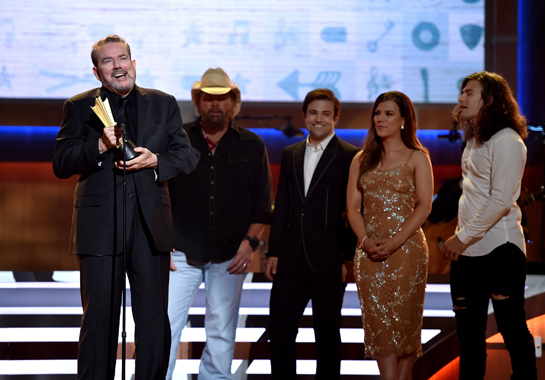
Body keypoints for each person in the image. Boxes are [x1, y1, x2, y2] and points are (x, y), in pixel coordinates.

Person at [52, 35, 199, 379]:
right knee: (99, 322)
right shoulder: (78, 106)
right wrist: (99, 147)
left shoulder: (163, 104)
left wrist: (156, 160)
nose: (117, 66)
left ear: (134, 64)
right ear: (96, 71)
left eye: (122, 59)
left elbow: (187, 156)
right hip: (100, 230)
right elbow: (61, 162)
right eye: (108, 61)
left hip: (151, 228)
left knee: (152, 323)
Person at [166, 67, 273, 379]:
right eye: (208, 98)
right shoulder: (177, 139)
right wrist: (163, 241)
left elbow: (261, 203)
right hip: (180, 253)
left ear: (233, 102)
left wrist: (249, 244)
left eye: (222, 97)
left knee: (222, 331)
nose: (215, 103)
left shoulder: (252, 145)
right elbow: (160, 192)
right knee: (165, 326)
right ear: (198, 101)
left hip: (230, 254)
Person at [442, 71, 537, 380]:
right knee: (468, 338)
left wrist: (461, 237)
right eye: (461, 92)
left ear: (490, 99)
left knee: (512, 330)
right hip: (468, 252)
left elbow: (501, 200)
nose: (461, 98)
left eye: (469, 92)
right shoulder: (474, 139)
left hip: (502, 248)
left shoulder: (508, 140)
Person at [266, 88, 359, 380]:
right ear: (305, 116)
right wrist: (274, 252)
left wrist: (350, 258)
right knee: (280, 333)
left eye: (326, 114)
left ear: (336, 118)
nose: (319, 119)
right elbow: (283, 204)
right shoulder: (290, 152)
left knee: (328, 336)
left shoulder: (351, 157)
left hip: (329, 261)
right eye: (314, 113)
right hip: (290, 259)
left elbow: (357, 210)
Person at [346, 91, 433, 380]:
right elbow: (352, 207)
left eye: (389, 114)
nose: (380, 119)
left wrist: (395, 242)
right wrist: (365, 241)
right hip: (369, 254)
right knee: (379, 326)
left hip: (407, 252)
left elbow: (424, 206)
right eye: (377, 113)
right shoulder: (361, 159)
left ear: (404, 121)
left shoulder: (418, 157)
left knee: (406, 328)